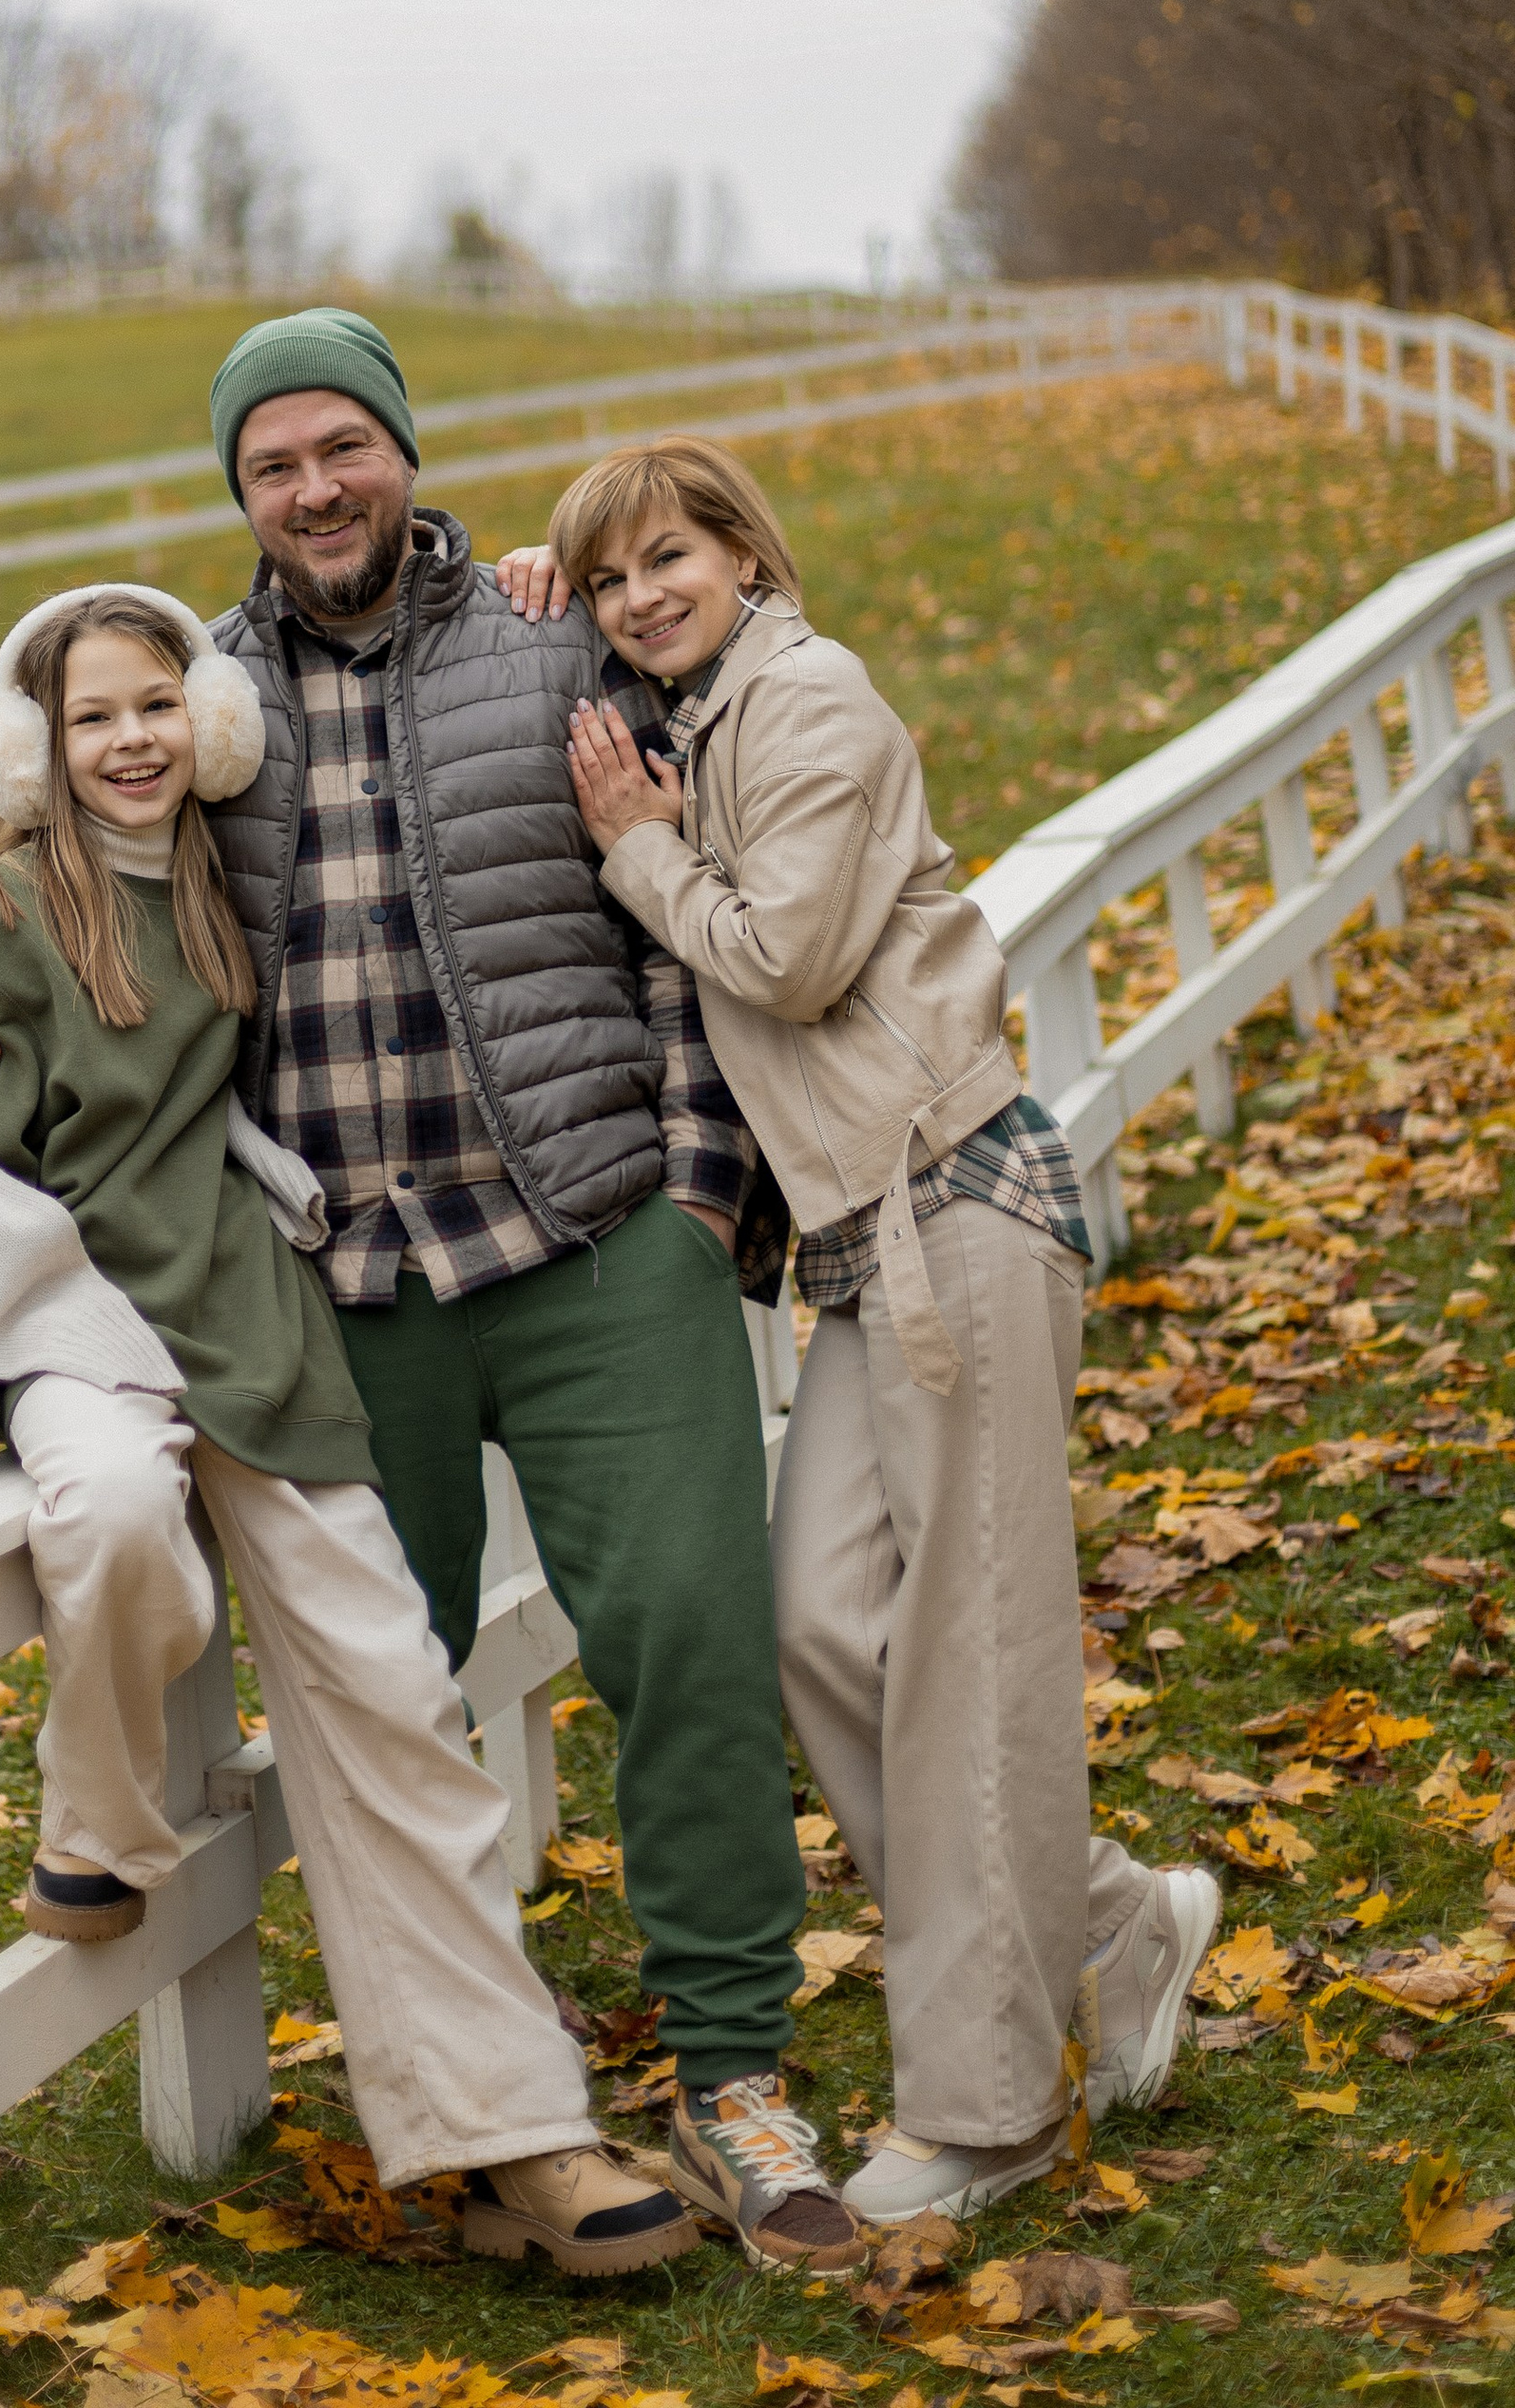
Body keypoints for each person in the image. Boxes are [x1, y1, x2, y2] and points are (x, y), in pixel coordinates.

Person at [0, 315, 867, 2275]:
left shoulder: (555, 638)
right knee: (388, 1703)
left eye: (342, 446)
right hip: (348, 1293)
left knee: (690, 1645)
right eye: (271, 464)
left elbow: (677, 903)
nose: (315, 489)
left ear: (403, 451)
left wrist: (697, 1197)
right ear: (238, 492)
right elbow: (48, 888)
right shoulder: (194, 707)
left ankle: (731, 2074)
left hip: (600, 1240)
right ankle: (494, 2111)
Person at [0, 580, 699, 2281]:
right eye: (91, 718)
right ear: (29, 750)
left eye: (159, 705)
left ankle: (514, 2132)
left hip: (256, 1321)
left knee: (397, 1696)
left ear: (209, 723)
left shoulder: (232, 877)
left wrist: (543, 570)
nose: (132, 742)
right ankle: (98, 1827)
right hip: (76, 1323)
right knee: (113, 1520)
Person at [497, 436, 1220, 2224]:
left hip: (957, 1203)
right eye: (612, 578)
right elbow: (614, 680)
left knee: (969, 1653)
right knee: (820, 1624)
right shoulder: (705, 701)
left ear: (747, 554)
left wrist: (640, 851)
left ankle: (988, 2106)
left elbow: (790, 956)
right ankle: (1109, 1922)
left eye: (670, 558)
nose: (640, 598)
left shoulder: (808, 700)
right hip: (864, 1244)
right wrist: (531, 583)